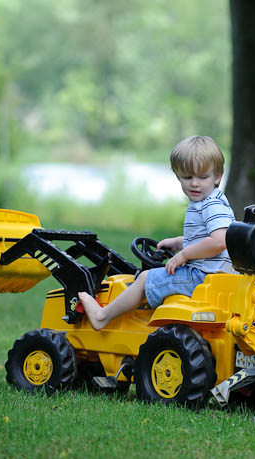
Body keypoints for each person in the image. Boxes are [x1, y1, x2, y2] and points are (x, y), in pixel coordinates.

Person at [79, 135, 235, 331]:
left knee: (144, 278)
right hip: (211, 273)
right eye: (187, 177)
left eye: (202, 177)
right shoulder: (213, 200)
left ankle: (102, 316)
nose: (194, 183)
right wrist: (180, 242)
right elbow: (207, 238)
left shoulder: (210, 205)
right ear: (178, 176)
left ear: (217, 176)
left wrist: (184, 255)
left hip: (202, 276)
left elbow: (219, 241)